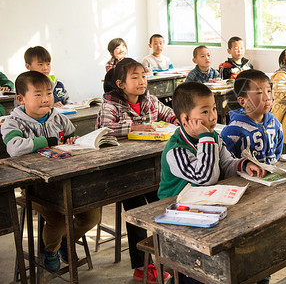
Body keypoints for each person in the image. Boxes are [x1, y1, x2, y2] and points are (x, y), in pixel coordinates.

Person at [158, 82, 265, 283]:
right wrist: (205, 137)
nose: (213, 116)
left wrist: (243, 165)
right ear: (185, 119)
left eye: (214, 108)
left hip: (209, 209)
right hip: (179, 220)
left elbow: (225, 164)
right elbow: (206, 177)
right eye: (205, 111)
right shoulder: (176, 150)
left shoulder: (214, 137)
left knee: (251, 253)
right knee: (204, 269)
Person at [1, 71, 99, 272]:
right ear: (21, 99)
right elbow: (15, 147)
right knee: (58, 219)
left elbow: (74, 138)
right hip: (35, 186)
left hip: (65, 179)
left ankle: (64, 241)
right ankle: (51, 250)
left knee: (92, 216)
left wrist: (74, 140)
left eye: (49, 93)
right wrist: (52, 141)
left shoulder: (59, 118)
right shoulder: (13, 122)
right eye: (38, 94)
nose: (45, 99)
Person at [96, 58, 178, 283]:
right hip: (124, 171)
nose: (142, 81)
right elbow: (103, 130)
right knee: (136, 213)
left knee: (163, 205)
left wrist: (179, 119)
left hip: (152, 166)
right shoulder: (110, 105)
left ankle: (165, 257)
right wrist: (134, 127)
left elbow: (168, 113)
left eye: (143, 76)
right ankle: (141, 267)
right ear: (121, 84)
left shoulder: (150, 100)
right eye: (135, 77)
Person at [221, 69, 283, 164]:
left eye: (269, 91)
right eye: (259, 93)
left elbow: (277, 154)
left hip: (271, 175)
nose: (267, 97)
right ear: (242, 101)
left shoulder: (274, 123)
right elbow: (227, 163)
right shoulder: (232, 132)